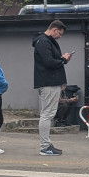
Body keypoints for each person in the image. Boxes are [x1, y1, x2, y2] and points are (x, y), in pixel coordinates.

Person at [33, 19, 72, 157]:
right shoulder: (44, 42)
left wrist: (61, 59)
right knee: (47, 114)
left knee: (48, 113)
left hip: (50, 81)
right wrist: (63, 60)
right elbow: (48, 62)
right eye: (60, 34)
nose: (60, 37)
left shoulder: (43, 41)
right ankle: (44, 146)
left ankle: (46, 144)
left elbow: (49, 60)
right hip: (48, 82)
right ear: (54, 29)